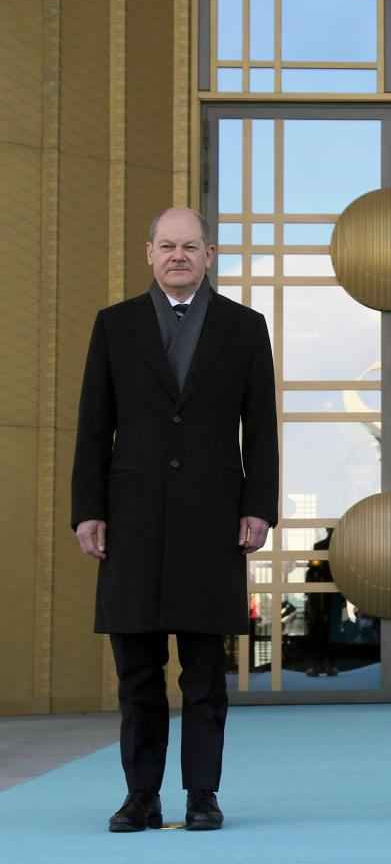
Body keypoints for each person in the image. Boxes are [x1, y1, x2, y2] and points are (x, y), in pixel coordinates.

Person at [71, 208, 278, 832]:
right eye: (168, 246)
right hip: (131, 518)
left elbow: (260, 427)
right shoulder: (115, 325)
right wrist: (88, 510)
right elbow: (93, 426)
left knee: (205, 670)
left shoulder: (244, 327)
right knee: (136, 669)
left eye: (190, 246)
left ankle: (202, 794)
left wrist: (259, 506)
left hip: (212, 517)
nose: (178, 256)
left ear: (209, 255)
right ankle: (141, 795)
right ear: (150, 253)